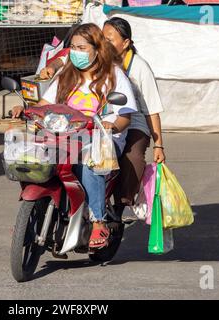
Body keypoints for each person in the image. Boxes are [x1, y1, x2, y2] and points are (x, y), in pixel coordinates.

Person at [12, 23, 137, 249]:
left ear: (97, 49)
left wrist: (111, 126)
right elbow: (45, 104)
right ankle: (31, 217)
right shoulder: (67, 74)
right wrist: (27, 111)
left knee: (89, 165)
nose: (75, 52)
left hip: (101, 140)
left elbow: (125, 116)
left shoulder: (114, 75)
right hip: (64, 136)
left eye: (81, 47)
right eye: (72, 47)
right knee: (31, 158)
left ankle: (98, 220)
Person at [39, 17, 166, 217]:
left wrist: (158, 144)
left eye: (110, 39)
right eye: (103, 38)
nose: (106, 43)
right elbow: (62, 59)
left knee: (125, 158)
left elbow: (148, 110)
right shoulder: (71, 71)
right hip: (74, 131)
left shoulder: (123, 72)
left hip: (124, 121)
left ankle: (112, 210)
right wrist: (51, 69)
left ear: (125, 43)